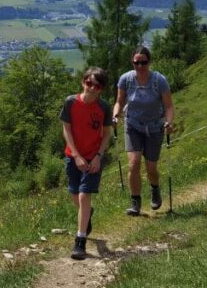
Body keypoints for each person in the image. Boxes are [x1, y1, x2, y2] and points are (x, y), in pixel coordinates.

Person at [113, 46, 175, 216]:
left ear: (149, 62)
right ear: (132, 62)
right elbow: (119, 101)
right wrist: (115, 115)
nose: (140, 66)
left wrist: (169, 123)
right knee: (133, 164)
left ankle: (155, 189)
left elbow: (169, 106)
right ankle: (135, 203)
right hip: (133, 125)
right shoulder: (126, 79)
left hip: (155, 127)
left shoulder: (158, 80)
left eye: (143, 62)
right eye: (136, 63)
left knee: (151, 168)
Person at [60, 67, 113, 260]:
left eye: (96, 86)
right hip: (73, 156)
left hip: (93, 157)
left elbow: (107, 134)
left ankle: (80, 241)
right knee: (75, 195)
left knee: (84, 195)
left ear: (101, 89)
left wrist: (99, 156)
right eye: (88, 83)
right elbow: (66, 130)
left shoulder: (104, 108)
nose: (91, 88)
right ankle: (87, 213)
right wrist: (76, 155)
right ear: (83, 82)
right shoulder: (71, 102)